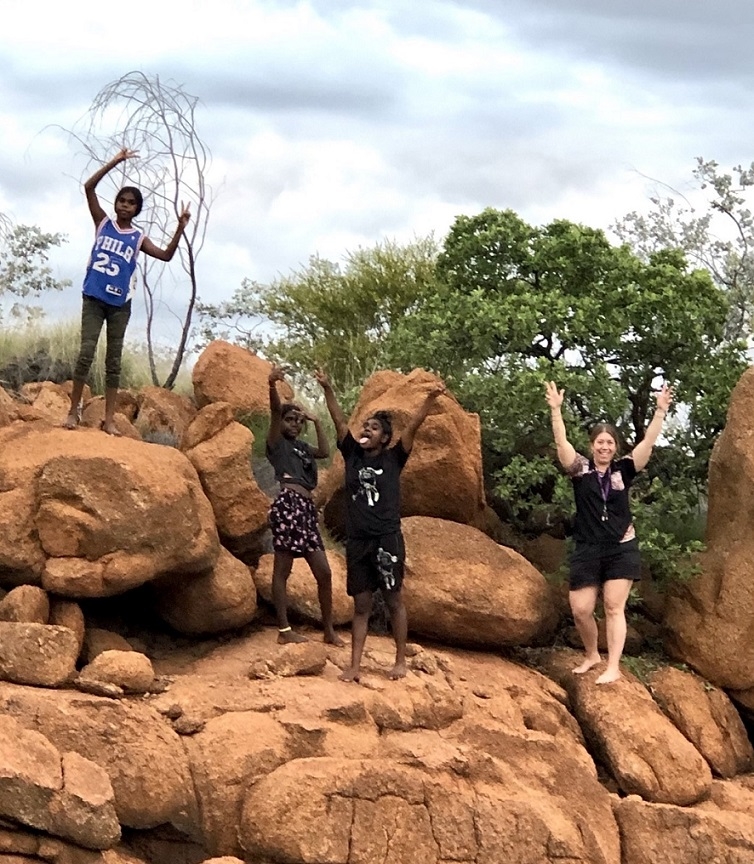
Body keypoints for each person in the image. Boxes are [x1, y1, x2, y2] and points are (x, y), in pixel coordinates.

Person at [317, 369, 446, 682]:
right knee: (361, 604)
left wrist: (430, 397)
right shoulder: (352, 455)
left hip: (386, 539)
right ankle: (355, 666)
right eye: (365, 426)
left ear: (385, 437)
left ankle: (400, 660)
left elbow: (414, 425)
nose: (366, 430)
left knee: (393, 599)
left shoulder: (394, 458)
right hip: (358, 541)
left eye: (374, 428)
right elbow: (338, 420)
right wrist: (328, 388)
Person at [545, 380, 673, 684]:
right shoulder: (580, 470)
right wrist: (555, 411)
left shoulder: (623, 470)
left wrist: (660, 412)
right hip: (588, 547)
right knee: (580, 609)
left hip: (620, 547)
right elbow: (562, 446)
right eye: (599, 442)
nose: (604, 446)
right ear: (592, 445)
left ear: (615, 447)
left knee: (614, 607)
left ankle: (613, 666)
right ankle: (592, 654)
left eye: (610, 442)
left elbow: (647, 445)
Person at [64, 148, 190, 435]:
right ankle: (73, 411)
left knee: (113, 360)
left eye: (130, 203)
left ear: (136, 209)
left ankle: (109, 420)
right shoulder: (103, 223)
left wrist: (180, 228)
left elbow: (167, 255)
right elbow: (88, 187)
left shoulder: (137, 237)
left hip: (120, 303)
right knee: (85, 353)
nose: (124, 206)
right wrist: (116, 160)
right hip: (94, 297)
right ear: (116, 203)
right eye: (121, 201)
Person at [266, 366, 344, 646]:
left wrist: (317, 421)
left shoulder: (300, 447)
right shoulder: (277, 443)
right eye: (290, 420)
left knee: (323, 571)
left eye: (298, 422)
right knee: (282, 570)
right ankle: (284, 631)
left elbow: (324, 451)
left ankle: (328, 630)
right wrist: (271, 385)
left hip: (307, 510)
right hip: (288, 504)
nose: (294, 425)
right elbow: (275, 413)